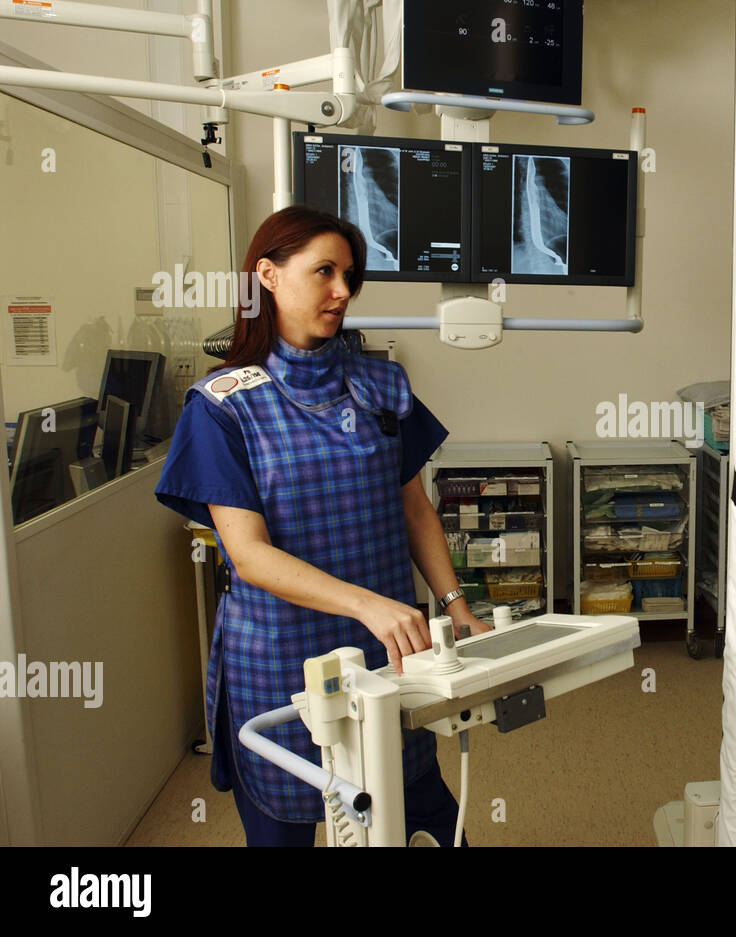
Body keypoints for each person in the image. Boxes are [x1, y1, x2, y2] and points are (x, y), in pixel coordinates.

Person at [156, 206, 490, 846]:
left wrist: (455, 603)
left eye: (349, 276)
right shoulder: (225, 406)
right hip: (279, 658)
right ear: (268, 276)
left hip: (388, 649)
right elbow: (249, 557)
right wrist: (371, 606)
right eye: (324, 272)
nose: (342, 291)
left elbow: (413, 506)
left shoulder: (381, 385)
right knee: (290, 818)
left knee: (422, 817)